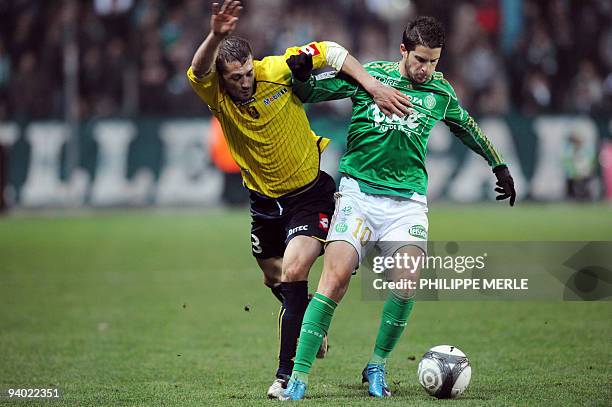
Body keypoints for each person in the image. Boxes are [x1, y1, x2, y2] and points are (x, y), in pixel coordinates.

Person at [281, 16, 516, 400]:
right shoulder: (370, 77)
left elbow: (468, 128)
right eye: (420, 59)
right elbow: (309, 92)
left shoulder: (440, 93)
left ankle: (376, 365)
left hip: (406, 204)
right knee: (335, 279)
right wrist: (304, 75)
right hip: (358, 196)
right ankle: (299, 377)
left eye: (434, 61)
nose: (426, 69)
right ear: (403, 50)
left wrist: (499, 165)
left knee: (406, 284)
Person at [186, 0, 412, 399]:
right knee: (274, 276)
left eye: (246, 72)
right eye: (234, 77)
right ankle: (310, 317)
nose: (243, 81)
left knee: (294, 269)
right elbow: (199, 68)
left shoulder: (275, 69)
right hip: (263, 204)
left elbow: (333, 51)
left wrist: (373, 86)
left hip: (309, 194)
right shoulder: (216, 94)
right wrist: (216, 35)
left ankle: (286, 375)